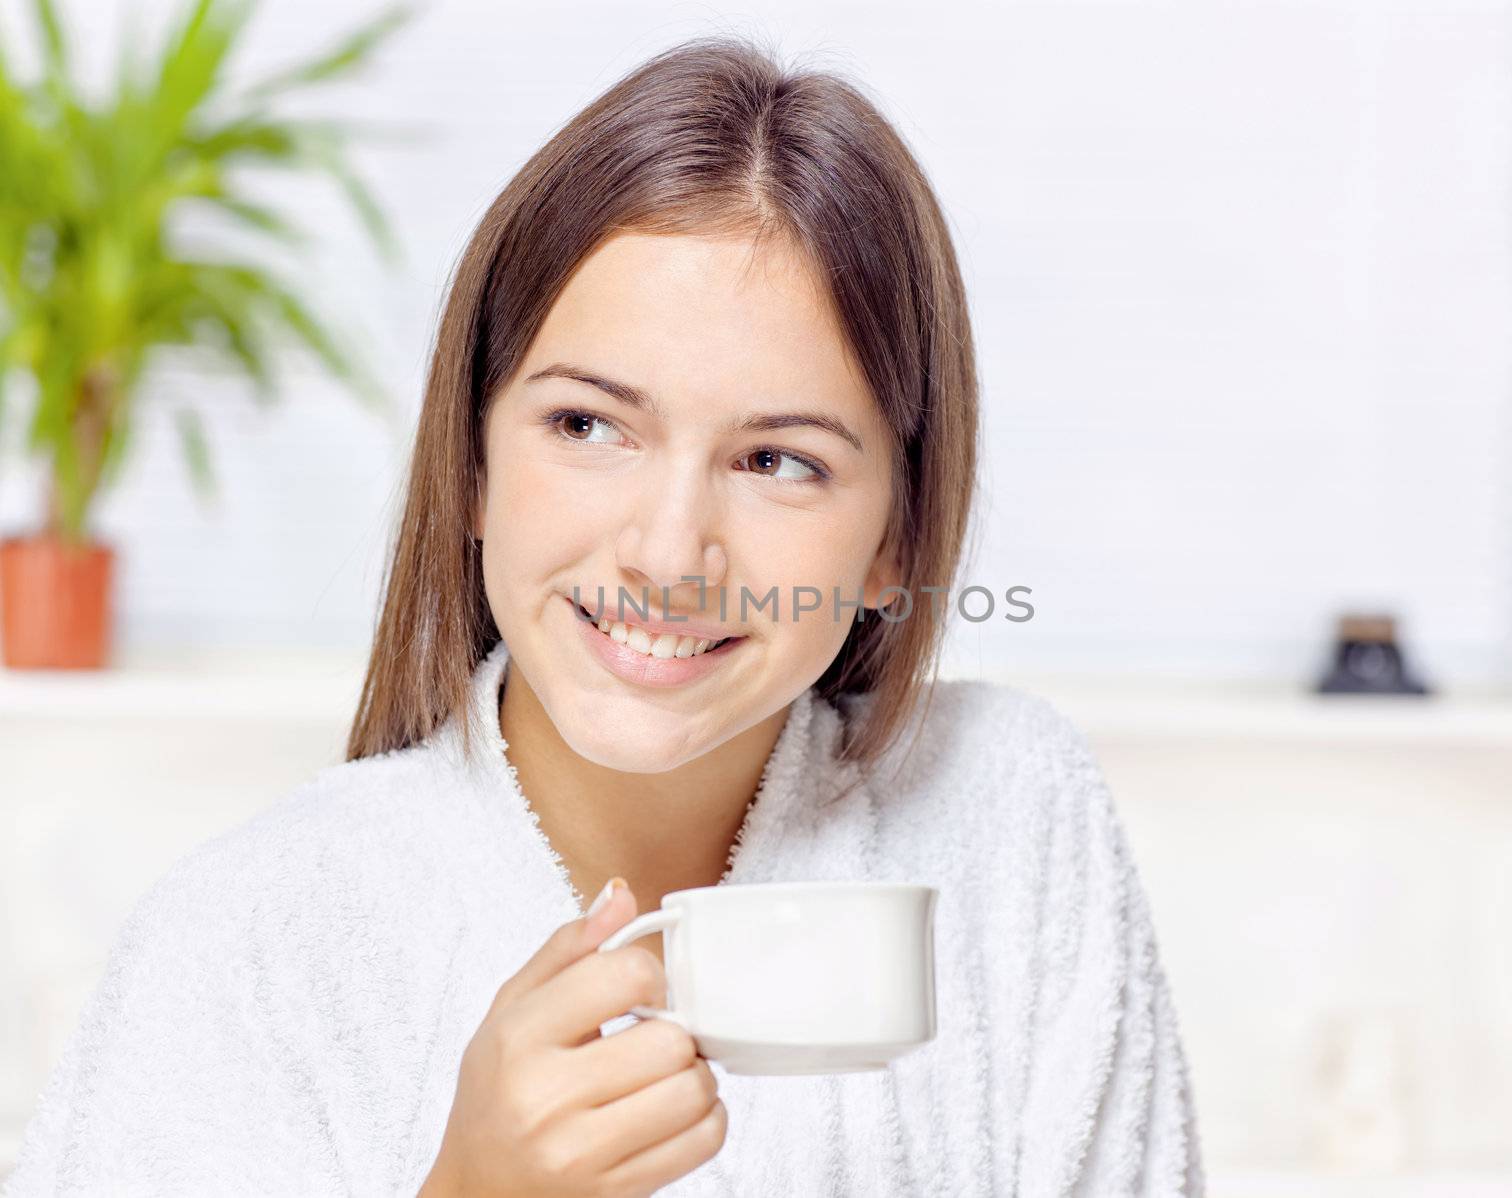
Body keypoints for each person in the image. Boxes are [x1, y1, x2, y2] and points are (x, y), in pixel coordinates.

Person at [3, 35, 1204, 1198]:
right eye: (588, 425)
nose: (669, 554)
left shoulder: (1006, 821)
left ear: (895, 541)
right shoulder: (256, 939)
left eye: (778, 460)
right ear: (470, 465)